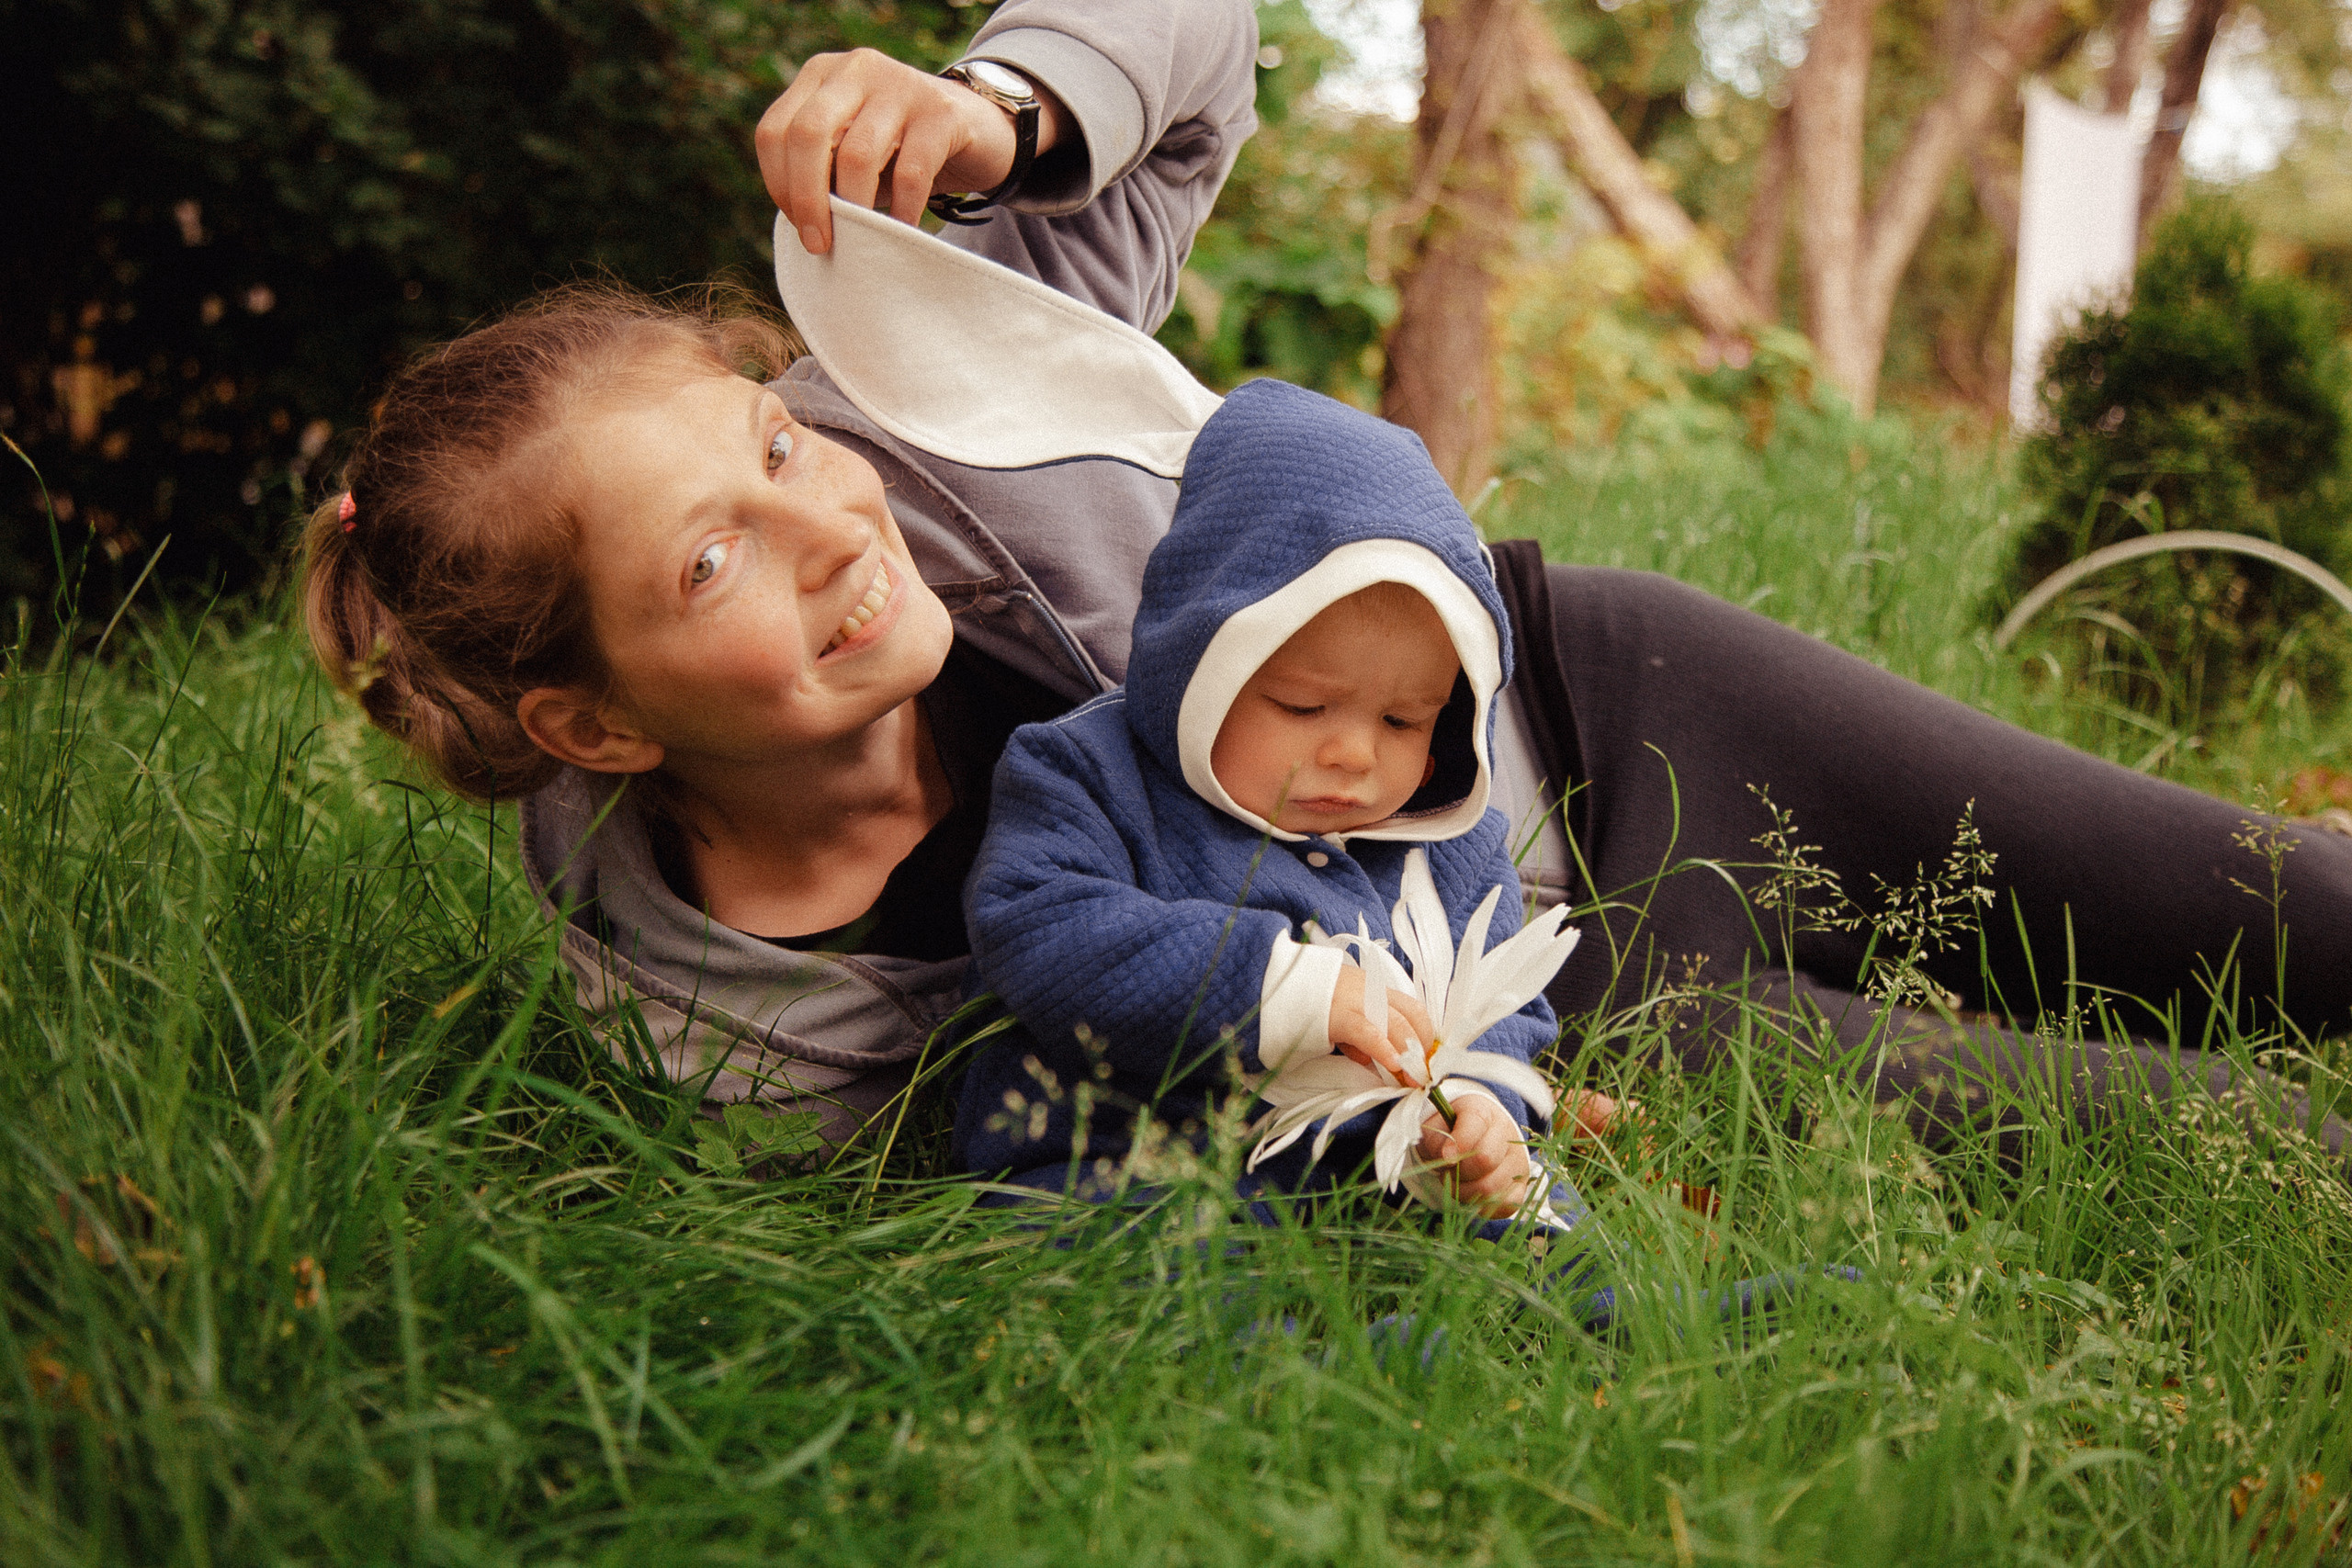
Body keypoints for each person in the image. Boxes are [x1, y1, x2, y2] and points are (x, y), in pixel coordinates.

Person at [300, 0, 2351, 1178]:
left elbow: (1202, 47)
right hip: (1545, 1006)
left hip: (1598, 697)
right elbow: (1062, 1178)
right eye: (710, 556)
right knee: (2205, 1132)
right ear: (592, 721)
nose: (832, 522)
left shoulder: (926, 399)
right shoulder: (727, 1039)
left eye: (770, 447)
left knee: (2287, 914)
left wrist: (1010, 110)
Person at [957, 377, 1589, 1222]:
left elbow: (1502, 1000)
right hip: (1137, 1146)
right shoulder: (1083, 773)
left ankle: (1642, 1322)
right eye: (1301, 705)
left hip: (1380, 1166)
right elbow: (1036, 924)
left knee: (1538, 1214)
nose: (1355, 754)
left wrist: (1481, 1109)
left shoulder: (1455, 846)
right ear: (1198, 657)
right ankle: (1333, 1352)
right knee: (1130, 1248)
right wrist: (1277, 988)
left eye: (1405, 720)